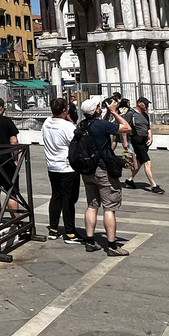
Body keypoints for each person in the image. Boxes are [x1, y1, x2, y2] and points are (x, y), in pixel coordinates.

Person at [74, 98, 128, 254]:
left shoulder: (82, 125)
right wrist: (114, 112)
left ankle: (90, 241)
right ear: (96, 110)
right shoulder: (100, 125)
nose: (100, 108)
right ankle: (111, 246)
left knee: (92, 205)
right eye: (99, 106)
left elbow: (101, 128)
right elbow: (126, 128)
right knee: (109, 208)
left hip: (87, 170)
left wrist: (106, 114)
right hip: (102, 170)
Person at [41, 98, 80, 240]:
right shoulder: (68, 127)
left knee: (56, 196)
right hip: (67, 167)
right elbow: (77, 143)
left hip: (52, 165)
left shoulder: (46, 123)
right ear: (65, 110)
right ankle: (70, 232)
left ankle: (53, 228)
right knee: (68, 200)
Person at [127, 97, 163, 193]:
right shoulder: (131, 114)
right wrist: (125, 142)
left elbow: (148, 127)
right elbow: (124, 127)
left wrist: (151, 137)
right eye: (145, 104)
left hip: (145, 141)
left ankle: (129, 179)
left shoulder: (145, 115)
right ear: (139, 103)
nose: (147, 106)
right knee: (147, 162)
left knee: (139, 161)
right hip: (137, 141)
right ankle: (153, 185)